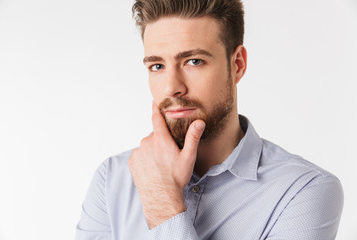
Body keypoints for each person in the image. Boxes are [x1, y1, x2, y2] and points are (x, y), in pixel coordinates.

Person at [76, 0, 344, 239]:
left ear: (237, 64)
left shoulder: (304, 191)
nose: (171, 87)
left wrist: (163, 202)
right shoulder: (112, 178)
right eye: (157, 66)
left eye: (193, 61)